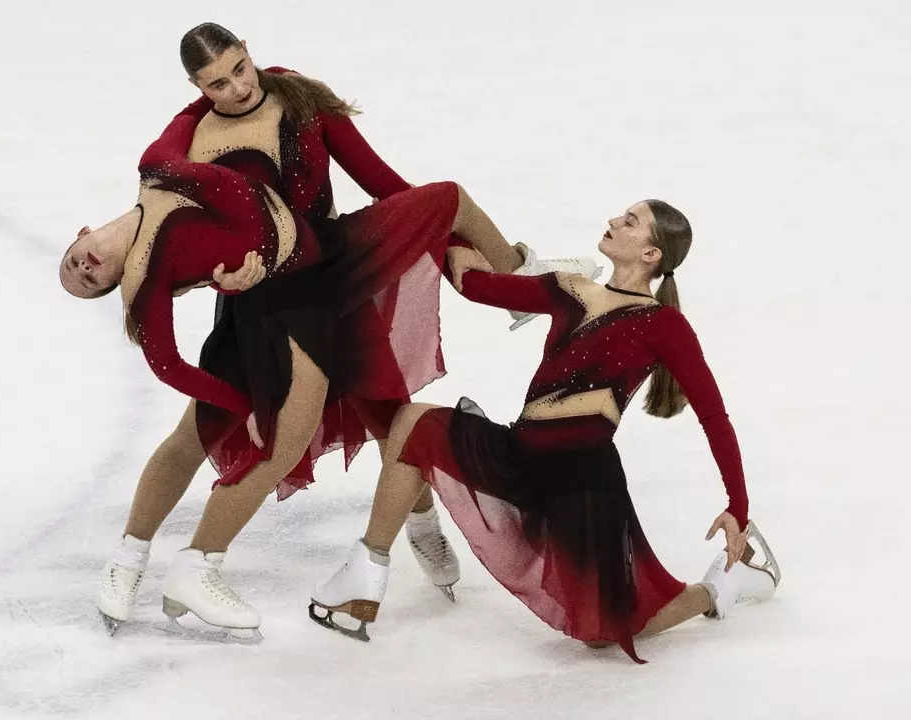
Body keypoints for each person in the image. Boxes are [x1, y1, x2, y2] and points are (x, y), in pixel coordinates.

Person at [60, 22, 601, 637]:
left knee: (392, 405)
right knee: (201, 434)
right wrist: (227, 281)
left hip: (340, 261)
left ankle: (421, 519)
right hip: (270, 301)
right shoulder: (196, 146)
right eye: (217, 84)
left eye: (239, 69)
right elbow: (192, 252)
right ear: (197, 88)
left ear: (249, 53)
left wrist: (437, 238)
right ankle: (128, 558)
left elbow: (378, 179)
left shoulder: (299, 95)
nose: (237, 88)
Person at [309, 200, 780, 661]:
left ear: (651, 253)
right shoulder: (569, 288)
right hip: (519, 454)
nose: (614, 220)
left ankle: (718, 587)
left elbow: (714, 417)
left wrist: (737, 507)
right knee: (413, 422)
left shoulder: (664, 324)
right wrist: (447, 231)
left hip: (581, 483)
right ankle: (365, 573)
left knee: (603, 634)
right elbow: (475, 286)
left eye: (630, 221)